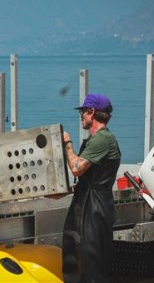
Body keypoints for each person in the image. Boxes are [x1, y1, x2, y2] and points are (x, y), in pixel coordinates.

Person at [61, 93, 121, 283]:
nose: (81, 117)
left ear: (92, 112)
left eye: (83, 113)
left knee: (91, 257)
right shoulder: (95, 140)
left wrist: (67, 144)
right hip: (87, 201)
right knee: (76, 251)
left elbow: (77, 168)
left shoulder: (102, 139)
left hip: (95, 207)